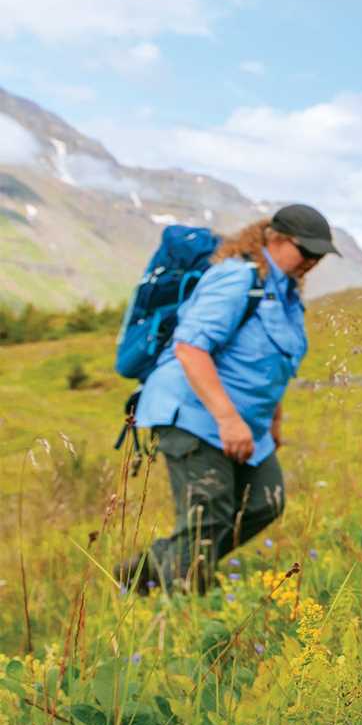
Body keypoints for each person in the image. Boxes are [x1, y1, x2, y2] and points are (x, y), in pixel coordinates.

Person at [119, 204, 334, 594]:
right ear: (275, 238)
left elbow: (273, 364)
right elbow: (190, 350)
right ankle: (183, 620)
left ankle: (150, 569)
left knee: (265, 502)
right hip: (193, 413)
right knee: (208, 517)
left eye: (319, 256)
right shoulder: (236, 278)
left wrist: (274, 421)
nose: (313, 262)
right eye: (307, 252)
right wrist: (228, 419)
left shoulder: (286, 293)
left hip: (246, 422)